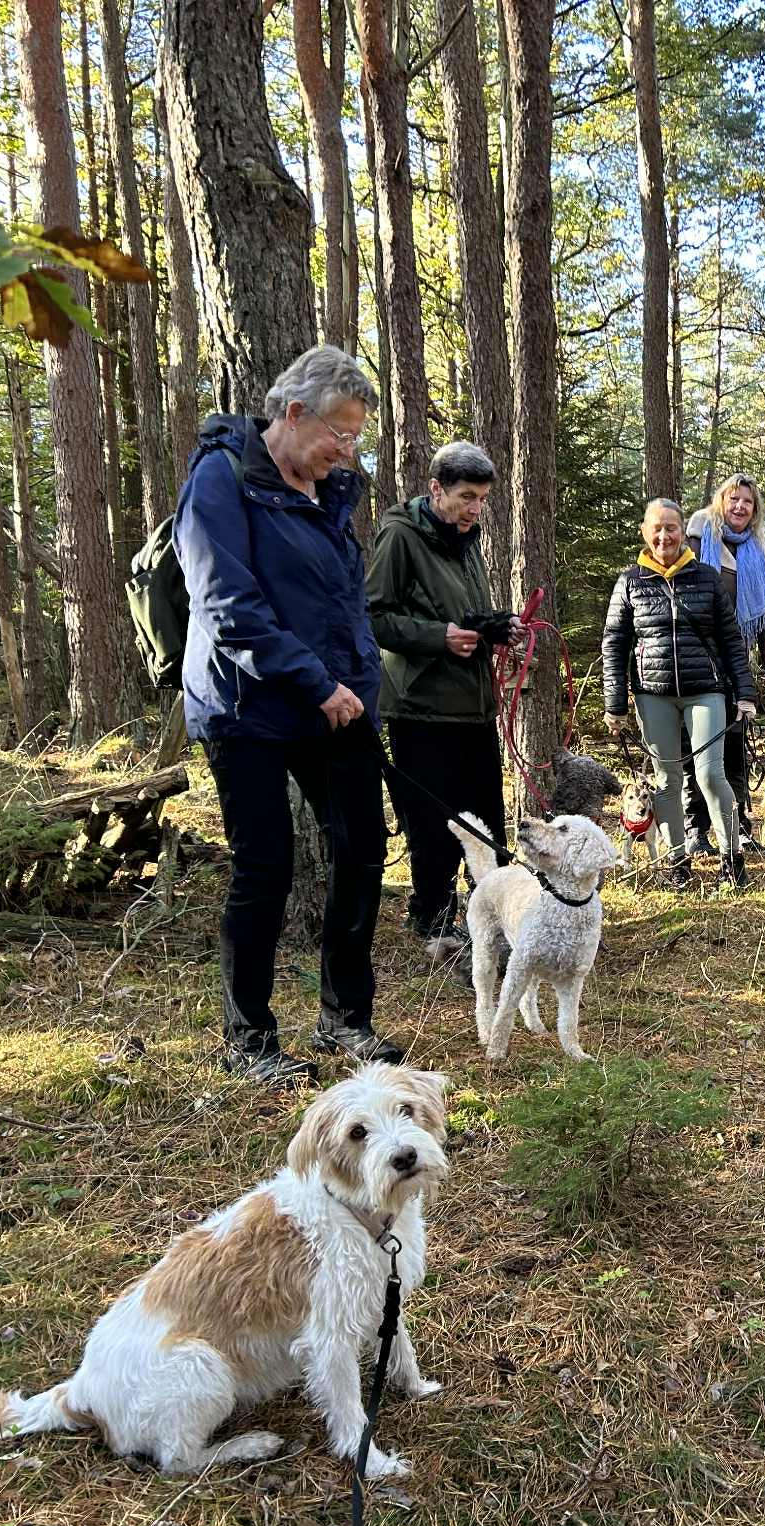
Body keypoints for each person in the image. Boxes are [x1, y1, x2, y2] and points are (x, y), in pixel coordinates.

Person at [175, 344, 400, 1084]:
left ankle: (346, 1018)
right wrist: (315, 682)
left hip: (331, 706)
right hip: (246, 707)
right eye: (340, 432)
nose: (347, 449)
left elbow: (345, 608)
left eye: (357, 436)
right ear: (294, 413)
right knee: (264, 866)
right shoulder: (221, 479)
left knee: (363, 849)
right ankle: (250, 1040)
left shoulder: (331, 494)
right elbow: (227, 606)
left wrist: (359, 690)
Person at [366, 441, 524, 945]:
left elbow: (464, 613)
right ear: (435, 489)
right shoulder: (398, 536)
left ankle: (496, 920)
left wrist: (500, 628)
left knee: (486, 822)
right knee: (433, 825)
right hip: (420, 707)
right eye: (466, 497)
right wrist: (439, 638)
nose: (475, 509)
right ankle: (431, 919)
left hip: (474, 705)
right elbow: (374, 618)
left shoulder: (466, 538)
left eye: (482, 499)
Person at [601, 498, 757, 889]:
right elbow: (615, 643)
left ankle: (731, 857)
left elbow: (730, 640)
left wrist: (745, 693)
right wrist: (615, 704)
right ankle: (676, 862)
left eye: (671, 527)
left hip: (706, 690)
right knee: (666, 779)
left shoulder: (705, 578)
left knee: (709, 774)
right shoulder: (630, 582)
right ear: (644, 532)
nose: (664, 535)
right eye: (656, 528)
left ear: (682, 530)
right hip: (652, 693)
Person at [681, 473, 765, 853]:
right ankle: (694, 831)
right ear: (721, 501)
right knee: (694, 748)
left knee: (734, 746)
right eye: (733, 499)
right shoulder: (697, 541)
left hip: (736, 665)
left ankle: (737, 830)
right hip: (696, 661)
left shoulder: (756, 552)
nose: (739, 507)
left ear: (755, 510)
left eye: (747, 502)